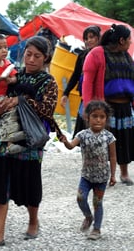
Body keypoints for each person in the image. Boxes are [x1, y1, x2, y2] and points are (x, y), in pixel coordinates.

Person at [0, 36, 58, 247]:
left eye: (37, 56)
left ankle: (33, 221)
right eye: (28, 54)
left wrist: (20, 100)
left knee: (29, 183)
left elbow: (48, 109)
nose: (31, 59)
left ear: (46, 58)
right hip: (4, 135)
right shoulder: (12, 75)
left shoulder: (48, 82)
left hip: (29, 138)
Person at [82, 24, 134, 186]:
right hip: (105, 108)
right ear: (121, 40)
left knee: (125, 140)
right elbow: (87, 82)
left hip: (125, 107)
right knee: (103, 142)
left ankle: (124, 173)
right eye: (129, 39)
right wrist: (89, 108)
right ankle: (103, 174)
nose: (131, 42)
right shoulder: (97, 54)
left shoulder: (127, 56)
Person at [59, 100, 116, 240]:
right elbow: (71, 146)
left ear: (106, 119)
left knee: (97, 203)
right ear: (87, 117)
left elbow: (113, 157)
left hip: (102, 178)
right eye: (94, 116)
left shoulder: (109, 137)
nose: (98, 120)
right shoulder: (82, 134)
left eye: (102, 117)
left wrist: (113, 176)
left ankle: (97, 229)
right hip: (86, 176)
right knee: (80, 198)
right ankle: (88, 216)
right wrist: (65, 141)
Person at [60, 25, 101, 138]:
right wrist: (66, 93)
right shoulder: (83, 55)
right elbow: (76, 75)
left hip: (100, 96)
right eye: (86, 38)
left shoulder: (104, 55)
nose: (88, 41)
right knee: (85, 127)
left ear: (98, 38)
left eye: (91, 37)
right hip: (85, 96)